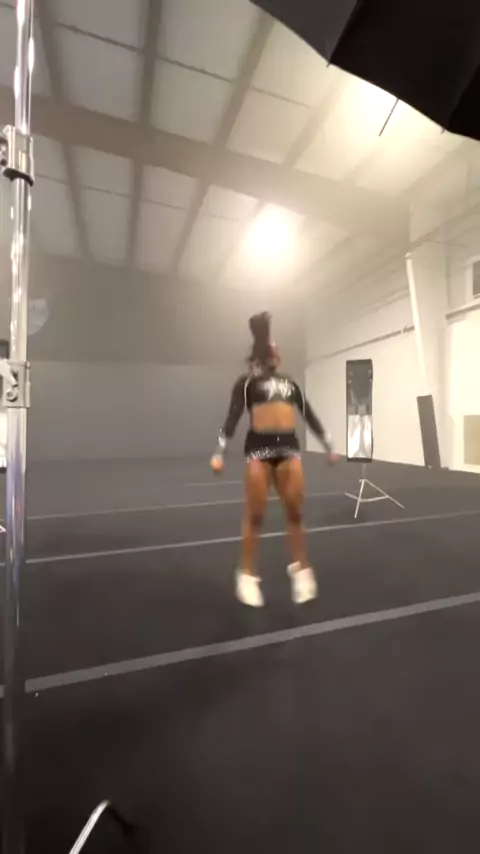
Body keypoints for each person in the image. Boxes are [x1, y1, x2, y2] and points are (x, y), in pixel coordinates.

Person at [210, 312, 338, 608]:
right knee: (255, 516)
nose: (277, 351)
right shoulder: (246, 383)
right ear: (263, 353)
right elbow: (232, 418)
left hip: (289, 451)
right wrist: (219, 452)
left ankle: (301, 569)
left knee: (295, 512)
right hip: (259, 451)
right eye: (272, 347)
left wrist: (329, 444)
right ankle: (247, 574)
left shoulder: (290, 383)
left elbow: (309, 414)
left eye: (278, 348)